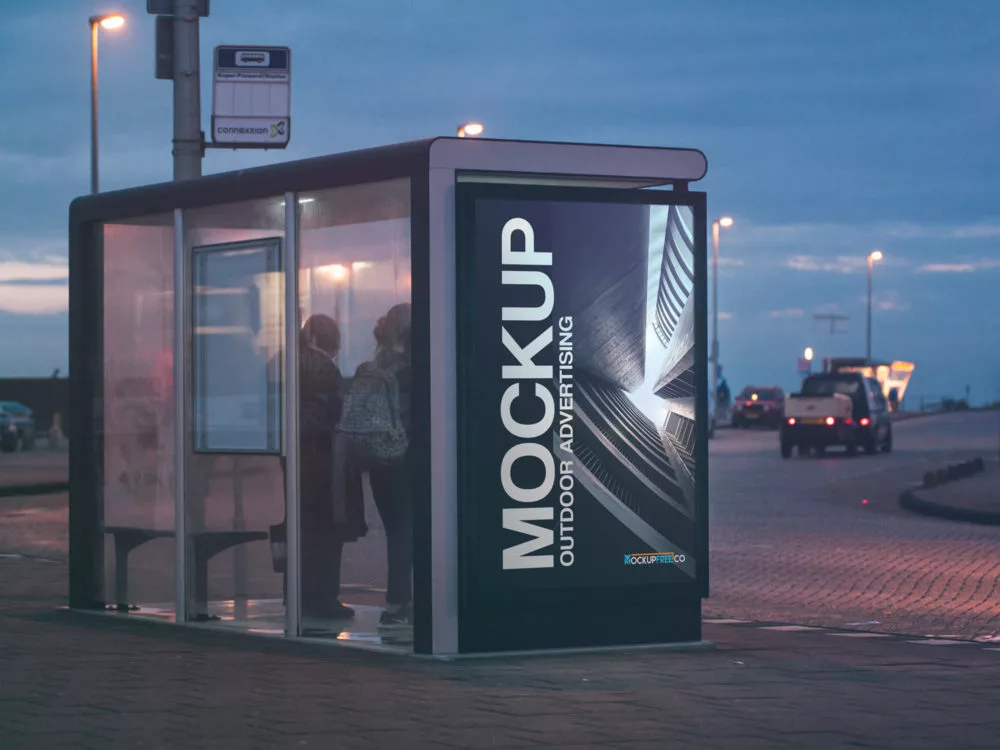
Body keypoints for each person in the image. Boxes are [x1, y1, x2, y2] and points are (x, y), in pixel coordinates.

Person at [296, 314, 367, 620]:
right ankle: (324, 597)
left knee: (306, 530)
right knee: (327, 531)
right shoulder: (323, 368)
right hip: (325, 461)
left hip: (303, 461)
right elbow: (332, 413)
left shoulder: (295, 363)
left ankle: (303, 594)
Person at [365, 303, 414, 626]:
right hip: (408, 457)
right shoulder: (412, 368)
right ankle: (401, 600)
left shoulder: (375, 364)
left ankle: (398, 601)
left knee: (397, 530)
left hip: (379, 460)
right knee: (408, 530)